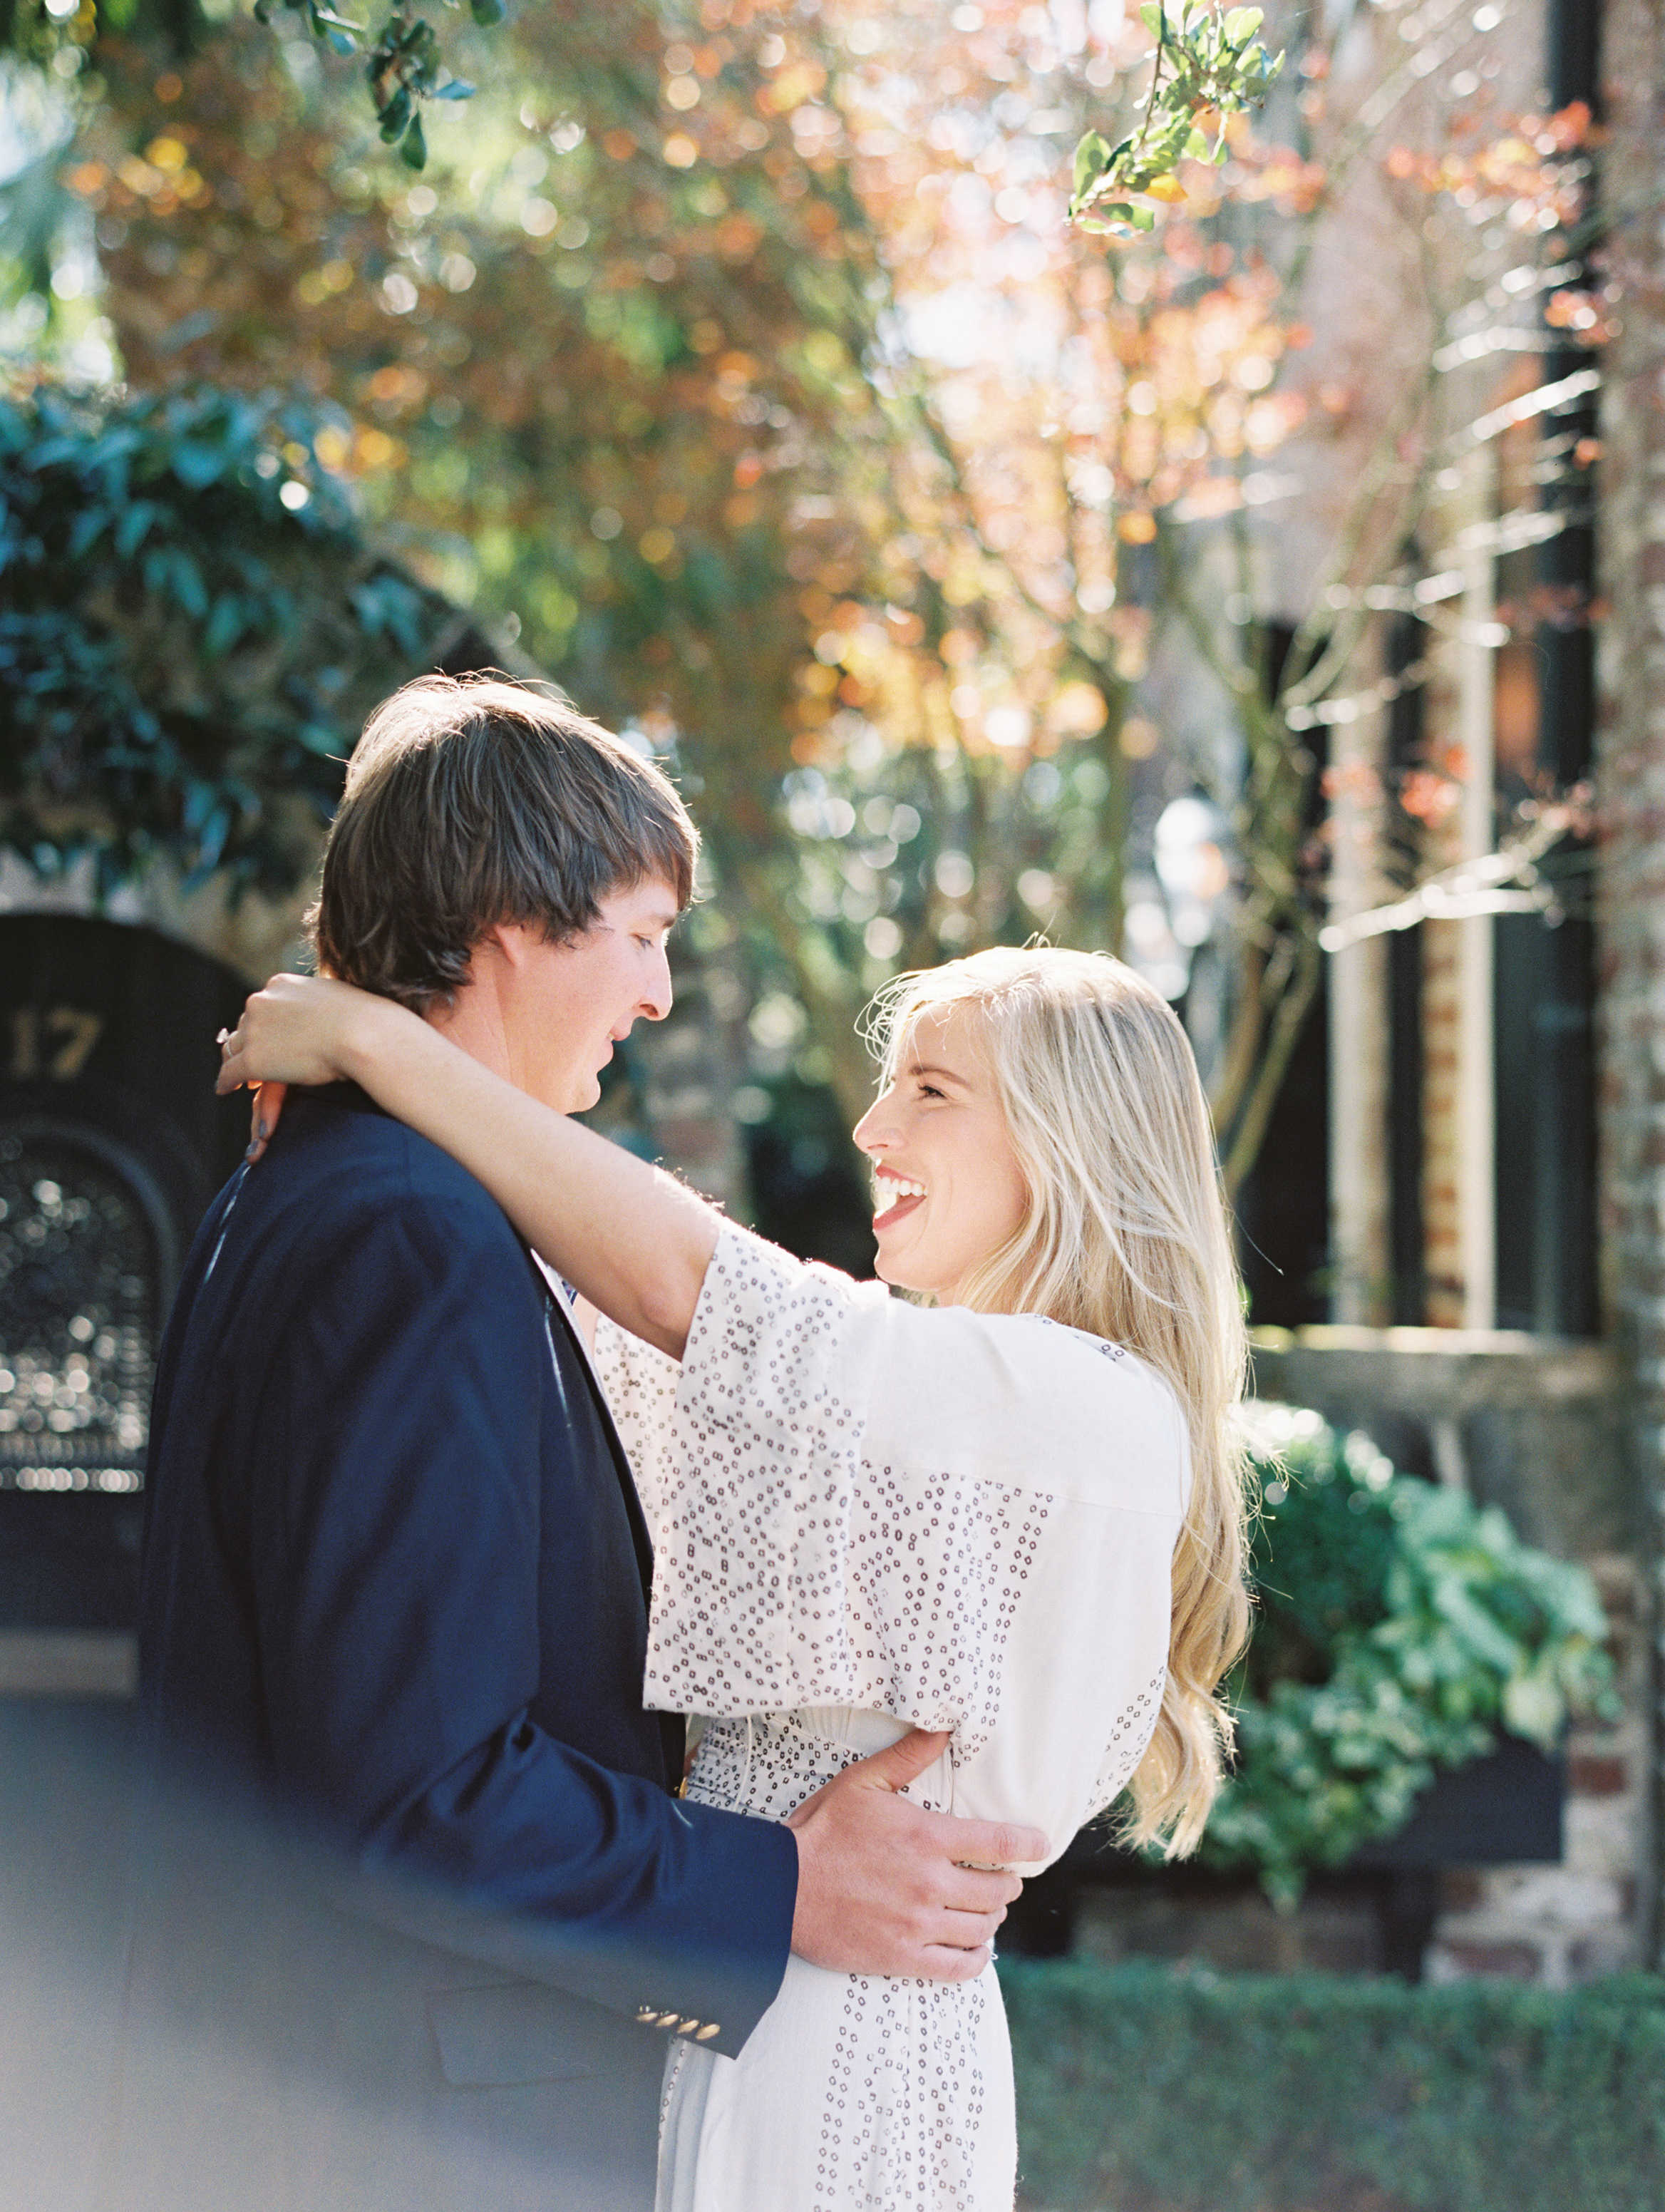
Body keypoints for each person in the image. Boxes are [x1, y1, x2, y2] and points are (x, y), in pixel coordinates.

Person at [108, 676, 1043, 2212]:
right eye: (640, 932)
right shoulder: (405, 1237)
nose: (659, 992)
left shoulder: (315, 1195)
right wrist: (780, 1889)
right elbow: (418, 1788)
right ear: (507, 927)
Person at [218, 920, 1252, 2211]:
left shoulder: (1073, 1406)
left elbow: (682, 1285)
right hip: (744, 2002)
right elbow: (644, 1339)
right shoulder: (937, 1407)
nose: (873, 1129)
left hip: (840, 2056)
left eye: (931, 1091)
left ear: (1072, 1142)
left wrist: (377, 1044)